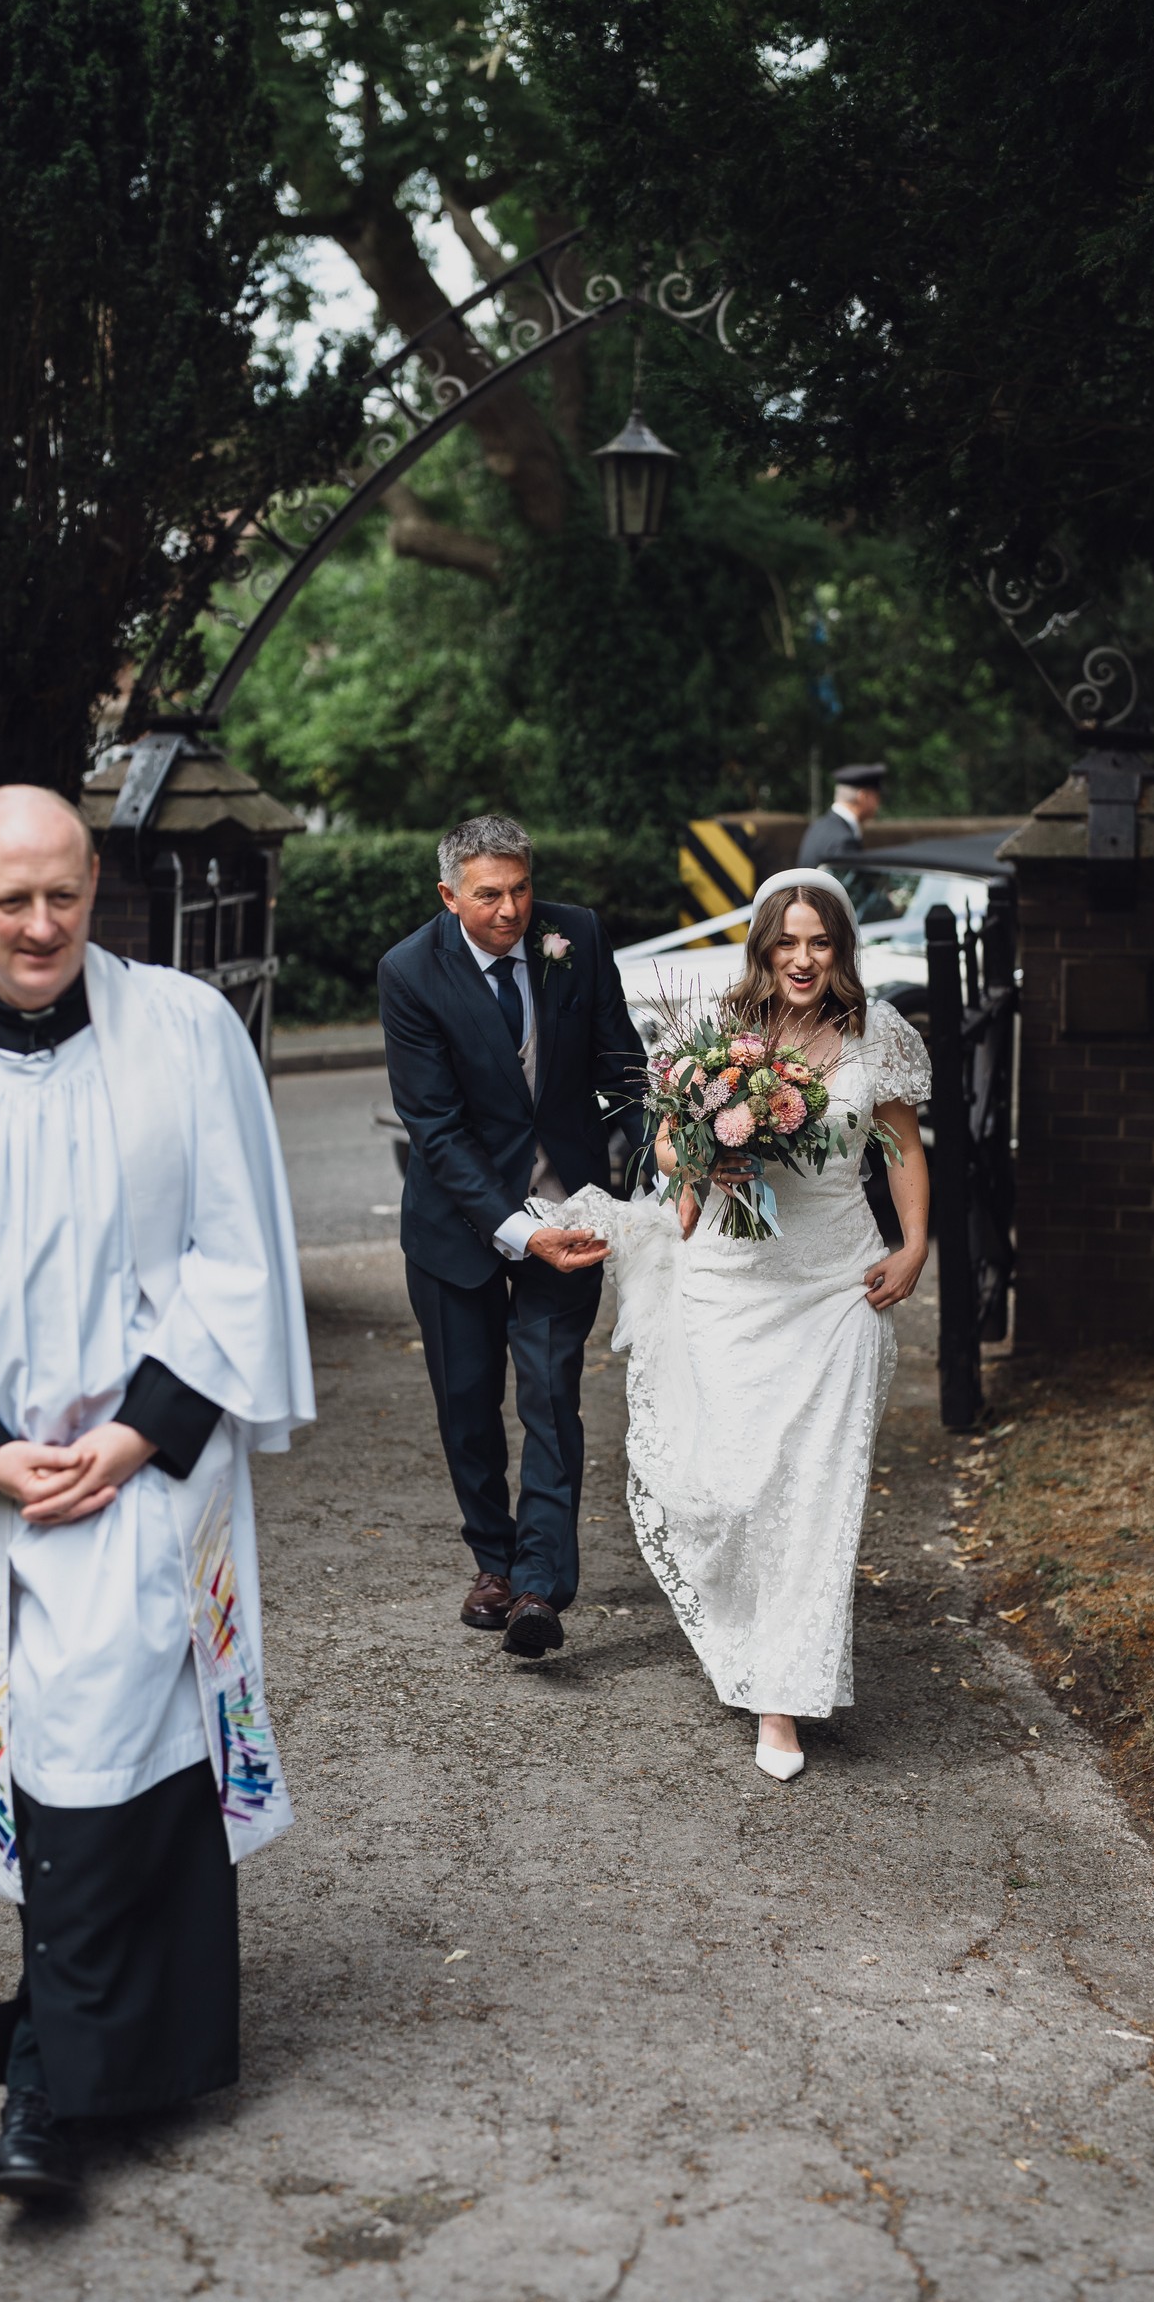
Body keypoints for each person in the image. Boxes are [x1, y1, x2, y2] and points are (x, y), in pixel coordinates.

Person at [0, 785, 312, 2204]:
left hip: (146, 1468)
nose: (41, 926)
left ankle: (48, 2084)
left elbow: (238, 1243)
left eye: (63, 895)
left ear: (95, 881)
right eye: (12, 900)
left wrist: (135, 1436)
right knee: (49, 1746)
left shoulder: (187, 1029)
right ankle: (117, 2040)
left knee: (110, 1737)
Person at [530, 869, 931, 1781]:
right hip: (729, 1281)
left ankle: (780, 1697)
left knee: (816, 1488)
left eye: (819, 942)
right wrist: (703, 1161)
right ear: (764, 948)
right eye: (787, 942)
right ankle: (746, 1639)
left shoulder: (876, 1034)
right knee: (731, 1484)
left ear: (841, 950)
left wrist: (913, 1245)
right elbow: (669, 1141)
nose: (802, 959)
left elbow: (902, 1144)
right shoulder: (721, 1031)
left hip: (837, 1286)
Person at [377, 814, 646, 1658]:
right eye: (489, 895)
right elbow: (436, 1127)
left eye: (522, 889)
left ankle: (537, 1586)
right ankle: (492, 1562)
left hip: (570, 1209)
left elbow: (623, 1066)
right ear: (449, 895)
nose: (511, 910)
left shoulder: (577, 937)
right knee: (468, 1406)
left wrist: (655, 1166)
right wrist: (516, 1231)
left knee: (552, 1394)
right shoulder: (409, 972)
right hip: (457, 1225)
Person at [797, 761, 886, 869]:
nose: (878, 804)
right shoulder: (844, 841)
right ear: (863, 797)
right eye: (877, 797)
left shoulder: (818, 826)